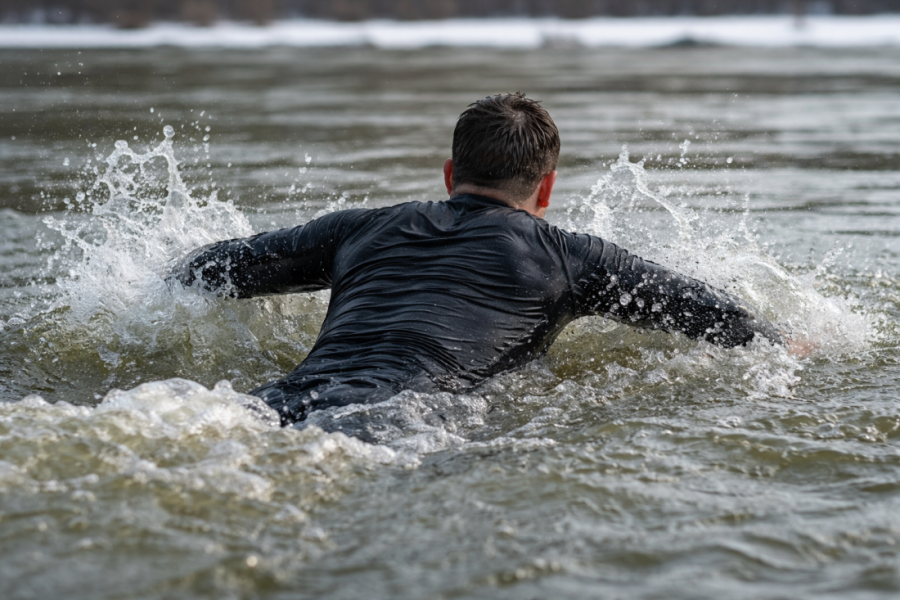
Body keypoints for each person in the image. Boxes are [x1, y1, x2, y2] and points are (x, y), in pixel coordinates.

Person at [169, 93, 785, 427]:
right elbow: (720, 317)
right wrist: (789, 343)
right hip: (404, 421)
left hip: (269, 403)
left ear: (448, 176)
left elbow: (204, 271)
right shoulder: (570, 257)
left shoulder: (358, 230)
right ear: (545, 190)